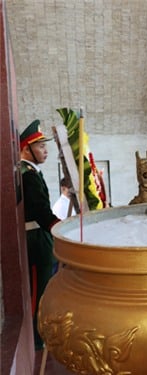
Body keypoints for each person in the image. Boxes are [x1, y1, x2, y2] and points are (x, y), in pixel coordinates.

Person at [19, 119, 61, 351]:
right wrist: (61, 229)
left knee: (42, 288)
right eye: (41, 146)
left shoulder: (30, 172)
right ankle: (37, 341)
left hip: (39, 237)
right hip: (35, 240)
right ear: (27, 148)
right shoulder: (27, 175)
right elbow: (41, 211)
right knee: (39, 291)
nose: (45, 150)